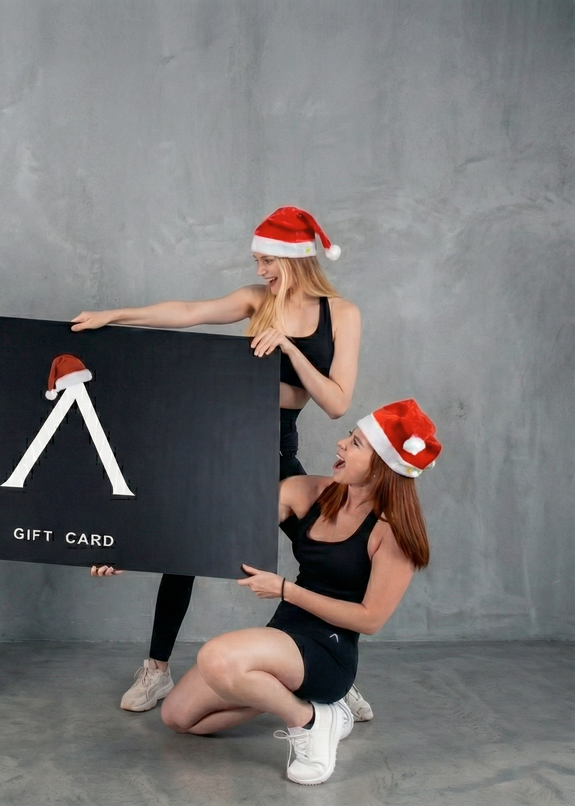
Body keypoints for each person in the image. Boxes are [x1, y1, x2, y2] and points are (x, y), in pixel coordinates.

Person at [74, 207, 362, 713]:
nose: (260, 271)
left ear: (294, 259)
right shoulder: (257, 300)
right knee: (184, 552)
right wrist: (113, 315)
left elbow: (337, 403)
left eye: (267, 261)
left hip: (275, 448)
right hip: (223, 437)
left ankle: (329, 670)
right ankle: (157, 670)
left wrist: (291, 350)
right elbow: (188, 311)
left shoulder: (342, 314)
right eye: (257, 262)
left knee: (323, 553)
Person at [156, 400, 441, 785]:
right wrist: (132, 555)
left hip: (329, 651)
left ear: (381, 467)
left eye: (356, 443)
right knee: (177, 717)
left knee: (217, 658)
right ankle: (305, 703)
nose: (341, 443)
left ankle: (309, 720)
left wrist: (286, 590)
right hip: (283, 635)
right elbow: (223, 535)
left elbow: (371, 619)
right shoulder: (307, 491)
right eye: (350, 436)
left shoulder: (392, 532)